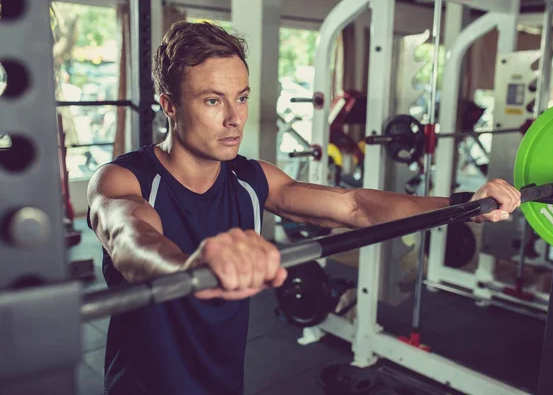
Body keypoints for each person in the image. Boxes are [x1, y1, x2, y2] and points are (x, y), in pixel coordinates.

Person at [87, 21, 521, 395]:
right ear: (169, 106)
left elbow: (354, 206)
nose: (236, 119)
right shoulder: (123, 179)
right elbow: (129, 238)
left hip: (224, 382)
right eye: (213, 101)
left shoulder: (252, 177)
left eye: (241, 97)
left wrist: (462, 205)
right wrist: (187, 271)